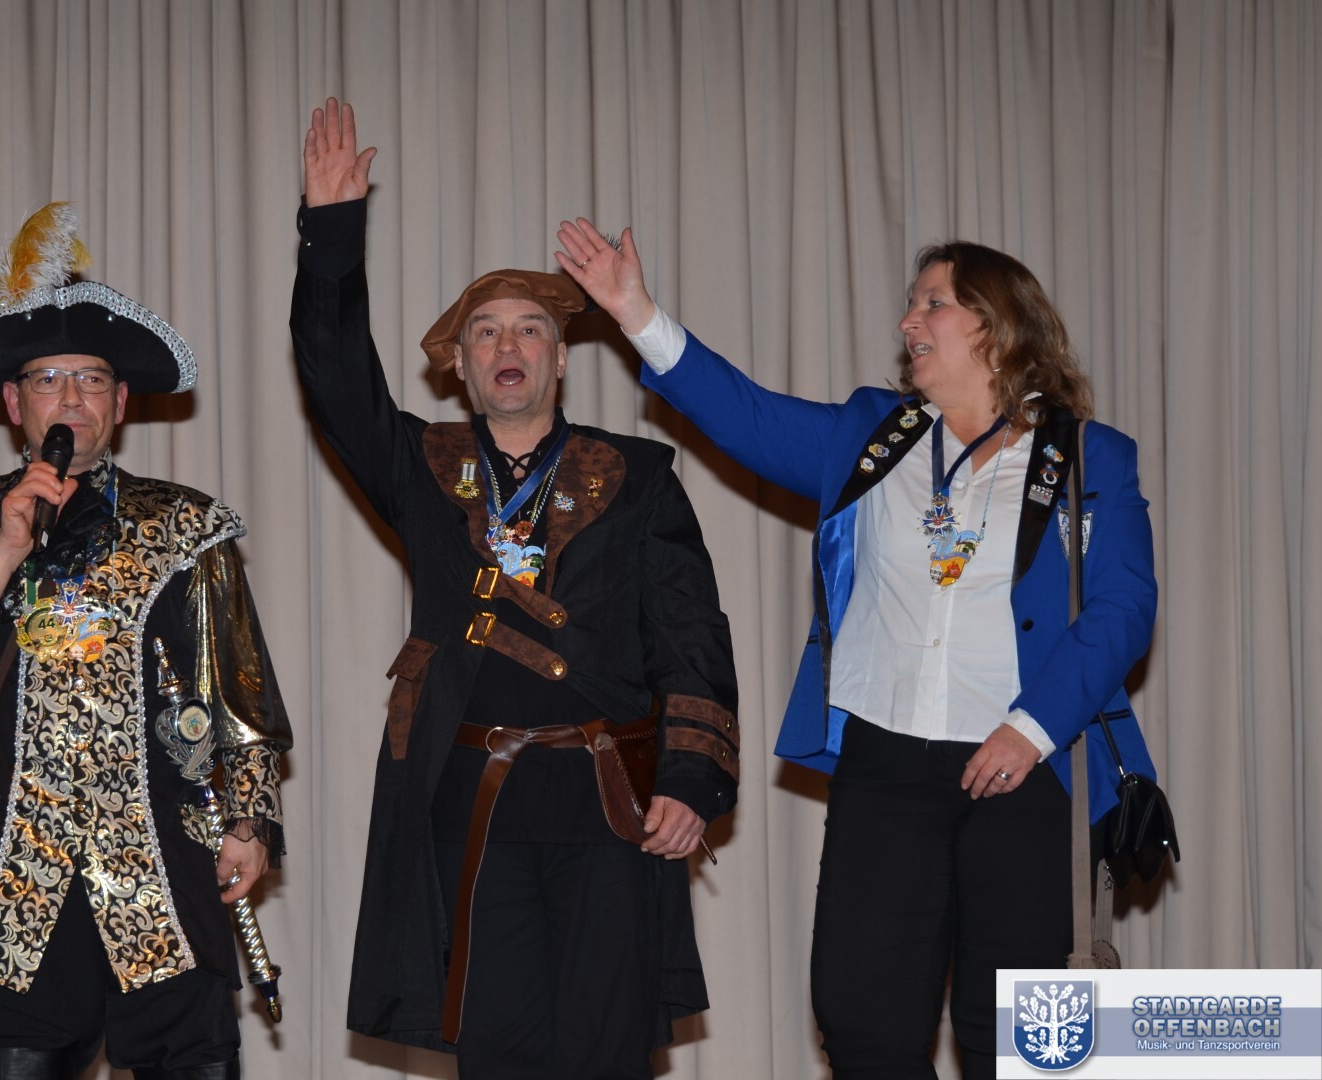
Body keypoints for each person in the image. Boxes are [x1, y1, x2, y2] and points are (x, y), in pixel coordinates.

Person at [557, 220, 1161, 1078]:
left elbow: (1122, 608)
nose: (908, 320)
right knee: (861, 1019)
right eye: (911, 305)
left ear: (995, 324)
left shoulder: (1088, 457)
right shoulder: (871, 434)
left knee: (1013, 1036)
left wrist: (1030, 729)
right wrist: (636, 315)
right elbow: (746, 414)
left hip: (1027, 771)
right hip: (885, 763)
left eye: (931, 303)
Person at [291, 100, 740, 1080]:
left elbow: (690, 635)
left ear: (560, 358)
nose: (509, 345)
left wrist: (689, 777)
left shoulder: (638, 474)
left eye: (530, 329)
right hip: (471, 800)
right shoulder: (419, 463)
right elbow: (333, 378)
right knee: (497, 1056)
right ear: (458, 366)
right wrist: (330, 233)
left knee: (606, 1054)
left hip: (609, 797)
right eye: (486, 332)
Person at [0, 203, 292, 1080]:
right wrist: (4, 549)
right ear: (14, 401)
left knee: (192, 1057)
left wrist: (249, 818)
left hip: (161, 856)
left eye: (91, 380)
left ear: (120, 402)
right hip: (18, 860)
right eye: (48, 380)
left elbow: (239, 692)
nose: (70, 399)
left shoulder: (185, 526)